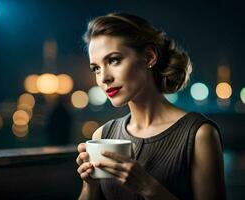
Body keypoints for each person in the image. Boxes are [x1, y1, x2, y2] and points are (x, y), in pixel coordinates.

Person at [76, 12, 226, 200]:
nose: (104, 77)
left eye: (113, 60)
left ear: (149, 57)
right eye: (96, 68)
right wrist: (90, 185)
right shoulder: (102, 135)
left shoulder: (199, 135)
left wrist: (148, 187)